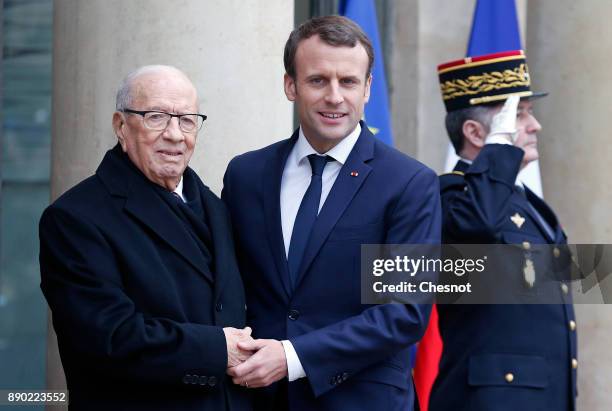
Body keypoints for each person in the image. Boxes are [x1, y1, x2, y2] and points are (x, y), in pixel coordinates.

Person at [222, 16, 441, 411]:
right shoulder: (246, 175)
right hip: (255, 400)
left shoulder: (410, 183)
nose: (335, 96)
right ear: (291, 85)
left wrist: (293, 357)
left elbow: (404, 312)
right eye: (318, 80)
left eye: (349, 82)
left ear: (368, 88)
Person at [39, 65, 253, 411]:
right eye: (156, 117)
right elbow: (109, 338)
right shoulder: (75, 218)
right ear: (121, 126)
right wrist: (216, 349)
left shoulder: (217, 206)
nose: (175, 134)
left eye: (187, 120)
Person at [429, 51, 577, 410]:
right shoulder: (448, 194)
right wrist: (498, 147)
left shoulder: (525, 202)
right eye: (519, 115)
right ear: (477, 133)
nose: (534, 125)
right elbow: (476, 228)